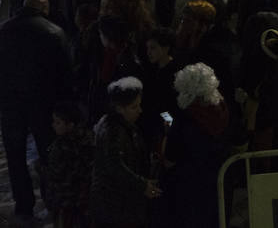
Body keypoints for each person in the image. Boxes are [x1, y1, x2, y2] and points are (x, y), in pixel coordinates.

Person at [0, 0, 73, 226]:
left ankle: (23, 205)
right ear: (44, 10)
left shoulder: (2, 31)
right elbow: (65, 73)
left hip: (10, 104)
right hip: (43, 105)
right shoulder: (54, 33)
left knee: (15, 157)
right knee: (48, 155)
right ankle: (52, 202)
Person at [161, 63, 228, 228]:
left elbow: (169, 159)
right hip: (219, 183)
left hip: (189, 187)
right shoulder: (224, 110)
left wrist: (167, 133)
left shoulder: (184, 120)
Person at [90, 76, 160, 228]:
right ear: (119, 108)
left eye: (139, 105)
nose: (140, 111)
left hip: (121, 202)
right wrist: (142, 186)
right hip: (114, 206)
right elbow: (115, 166)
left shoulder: (124, 124)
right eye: (134, 107)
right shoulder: (112, 131)